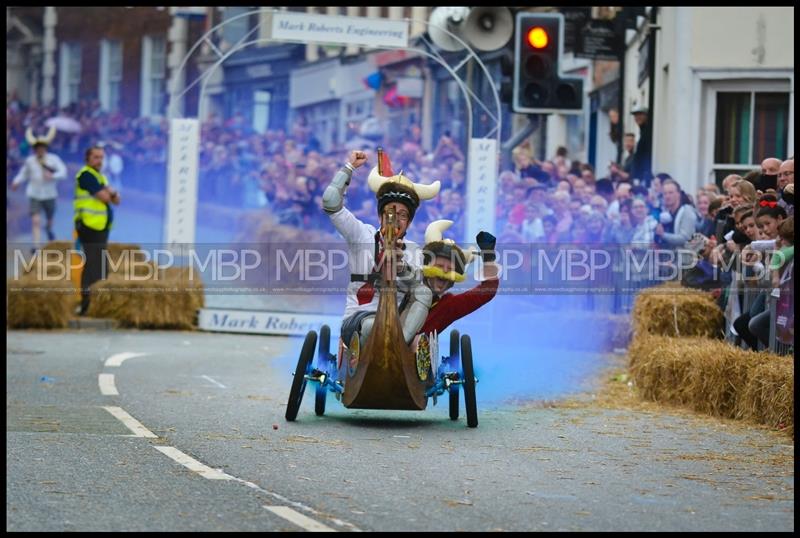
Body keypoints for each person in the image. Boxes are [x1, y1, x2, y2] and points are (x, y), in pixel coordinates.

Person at [322, 149, 440, 354]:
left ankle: (398, 348)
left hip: (398, 326)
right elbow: (330, 203)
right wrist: (348, 168)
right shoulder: (361, 235)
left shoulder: (416, 252)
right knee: (371, 326)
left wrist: (402, 268)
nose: (395, 218)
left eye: (403, 215)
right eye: (390, 211)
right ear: (380, 216)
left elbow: (422, 290)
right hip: (359, 321)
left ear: (409, 222)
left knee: (423, 291)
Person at [417, 220, 499, 337]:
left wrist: (488, 257)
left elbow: (487, 290)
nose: (445, 271)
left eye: (450, 268)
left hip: (415, 353)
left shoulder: (447, 306)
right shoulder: (406, 287)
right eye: (439, 266)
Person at [74, 145, 121, 315]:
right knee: (94, 265)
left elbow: (117, 200)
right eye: (96, 157)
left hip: (100, 226)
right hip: (89, 225)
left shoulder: (100, 177)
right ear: (88, 158)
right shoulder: (86, 175)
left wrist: (111, 193)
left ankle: (95, 304)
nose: (99, 161)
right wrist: (110, 193)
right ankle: (86, 305)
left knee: (99, 265)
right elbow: (105, 197)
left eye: (101, 157)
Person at [10, 127, 68, 250]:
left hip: (50, 194)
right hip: (34, 194)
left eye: (42, 147)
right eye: (37, 147)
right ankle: (36, 246)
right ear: (35, 149)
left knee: (49, 220)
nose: (40, 149)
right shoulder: (30, 161)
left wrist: (53, 175)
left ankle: (48, 229)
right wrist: (16, 181)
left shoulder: (53, 159)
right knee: (35, 220)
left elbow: (63, 172)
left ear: (45, 148)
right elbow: (23, 174)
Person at [629, 106, 653, 185]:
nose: (637, 117)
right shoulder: (643, 131)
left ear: (646, 116)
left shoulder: (648, 131)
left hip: (644, 177)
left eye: (640, 115)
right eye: (635, 116)